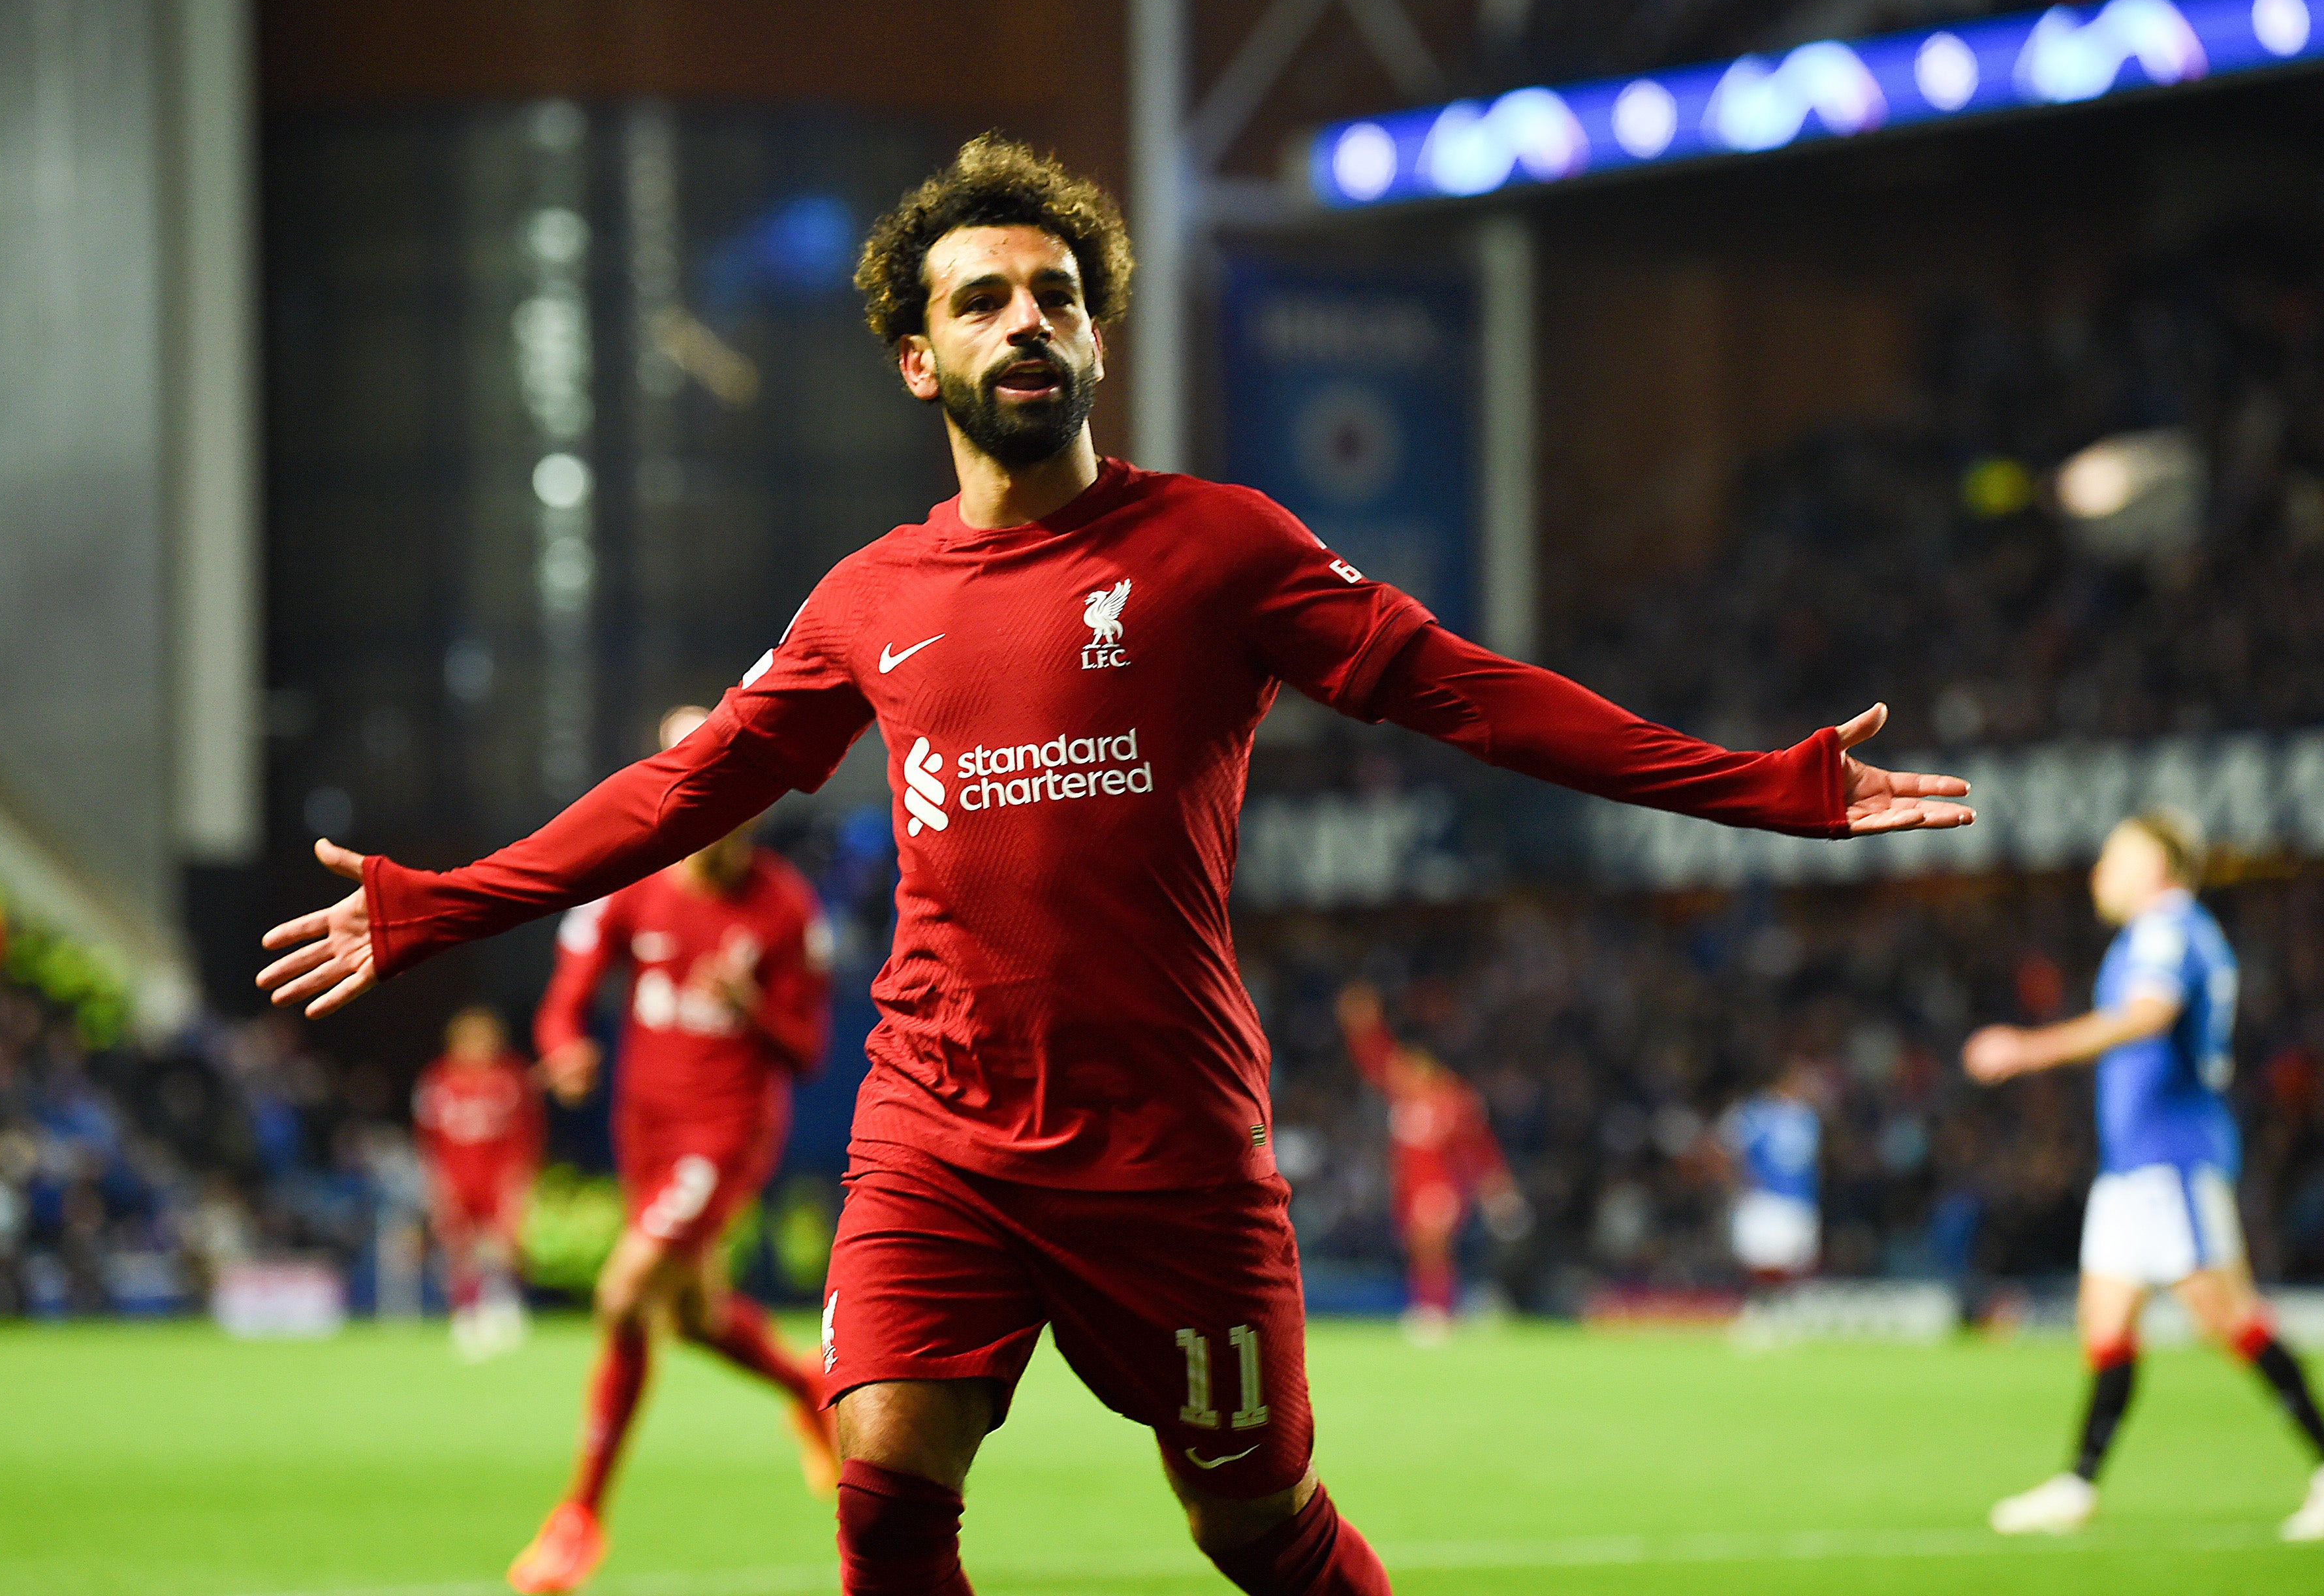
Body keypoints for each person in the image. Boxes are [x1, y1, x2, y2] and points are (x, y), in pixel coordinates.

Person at [258, 136, 1972, 1596]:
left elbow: (1465, 692)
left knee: (1256, 1532)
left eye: (1056, 296)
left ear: (1096, 337)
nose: (1027, 320)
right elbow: (677, 795)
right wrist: (441, 905)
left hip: (1172, 1145)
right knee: (882, 1479)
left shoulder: (1221, 549)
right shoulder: (868, 603)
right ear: (918, 362)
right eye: (984, 299)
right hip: (939, 1116)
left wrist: (1764, 789)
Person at [506, 704, 838, 1593]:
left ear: (757, 816)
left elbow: (806, 1049)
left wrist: (751, 1007)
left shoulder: (784, 910)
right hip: (644, 1128)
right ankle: (808, 1389)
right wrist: (565, 1042)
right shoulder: (632, 882)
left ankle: (579, 1518)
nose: (718, 829)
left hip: (725, 1133)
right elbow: (566, 994)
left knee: (623, 1295)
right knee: (690, 1315)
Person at [1966, 810, 2324, 1541]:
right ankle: (2078, 1482)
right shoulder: (2158, 933)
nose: (2102, 869)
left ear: (2158, 866)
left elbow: (2150, 1015)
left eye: (2116, 855)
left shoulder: (2166, 926)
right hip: (2134, 1165)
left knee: (2227, 1315)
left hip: (2171, 1157)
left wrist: (2031, 1050)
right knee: (2105, 1321)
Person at [1333, 983, 1526, 1343]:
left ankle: (1436, 1309)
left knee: (1432, 1244)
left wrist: (1496, 1187)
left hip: (1441, 1186)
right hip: (1408, 1187)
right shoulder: (1404, 1095)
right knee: (1420, 1248)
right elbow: (1376, 1058)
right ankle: (1436, 1306)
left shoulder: (1452, 1100)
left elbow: (1480, 1149)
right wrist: (1362, 1025)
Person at [412, 1005, 543, 1361]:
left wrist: (518, 1185)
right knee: (458, 1249)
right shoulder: (437, 1080)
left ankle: (507, 1307)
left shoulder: (511, 1077)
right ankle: (467, 1314)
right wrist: (438, 1188)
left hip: (499, 1178)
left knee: (507, 1244)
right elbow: (428, 1141)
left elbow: (526, 1137)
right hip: (456, 1180)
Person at [1716, 1061, 1824, 1285]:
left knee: (1798, 1264)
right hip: (1763, 1199)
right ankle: (1756, 1306)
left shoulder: (1808, 1117)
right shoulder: (1755, 1113)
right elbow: (1722, 1148)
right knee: (1761, 1264)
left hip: (1799, 1200)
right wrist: (1738, 1183)